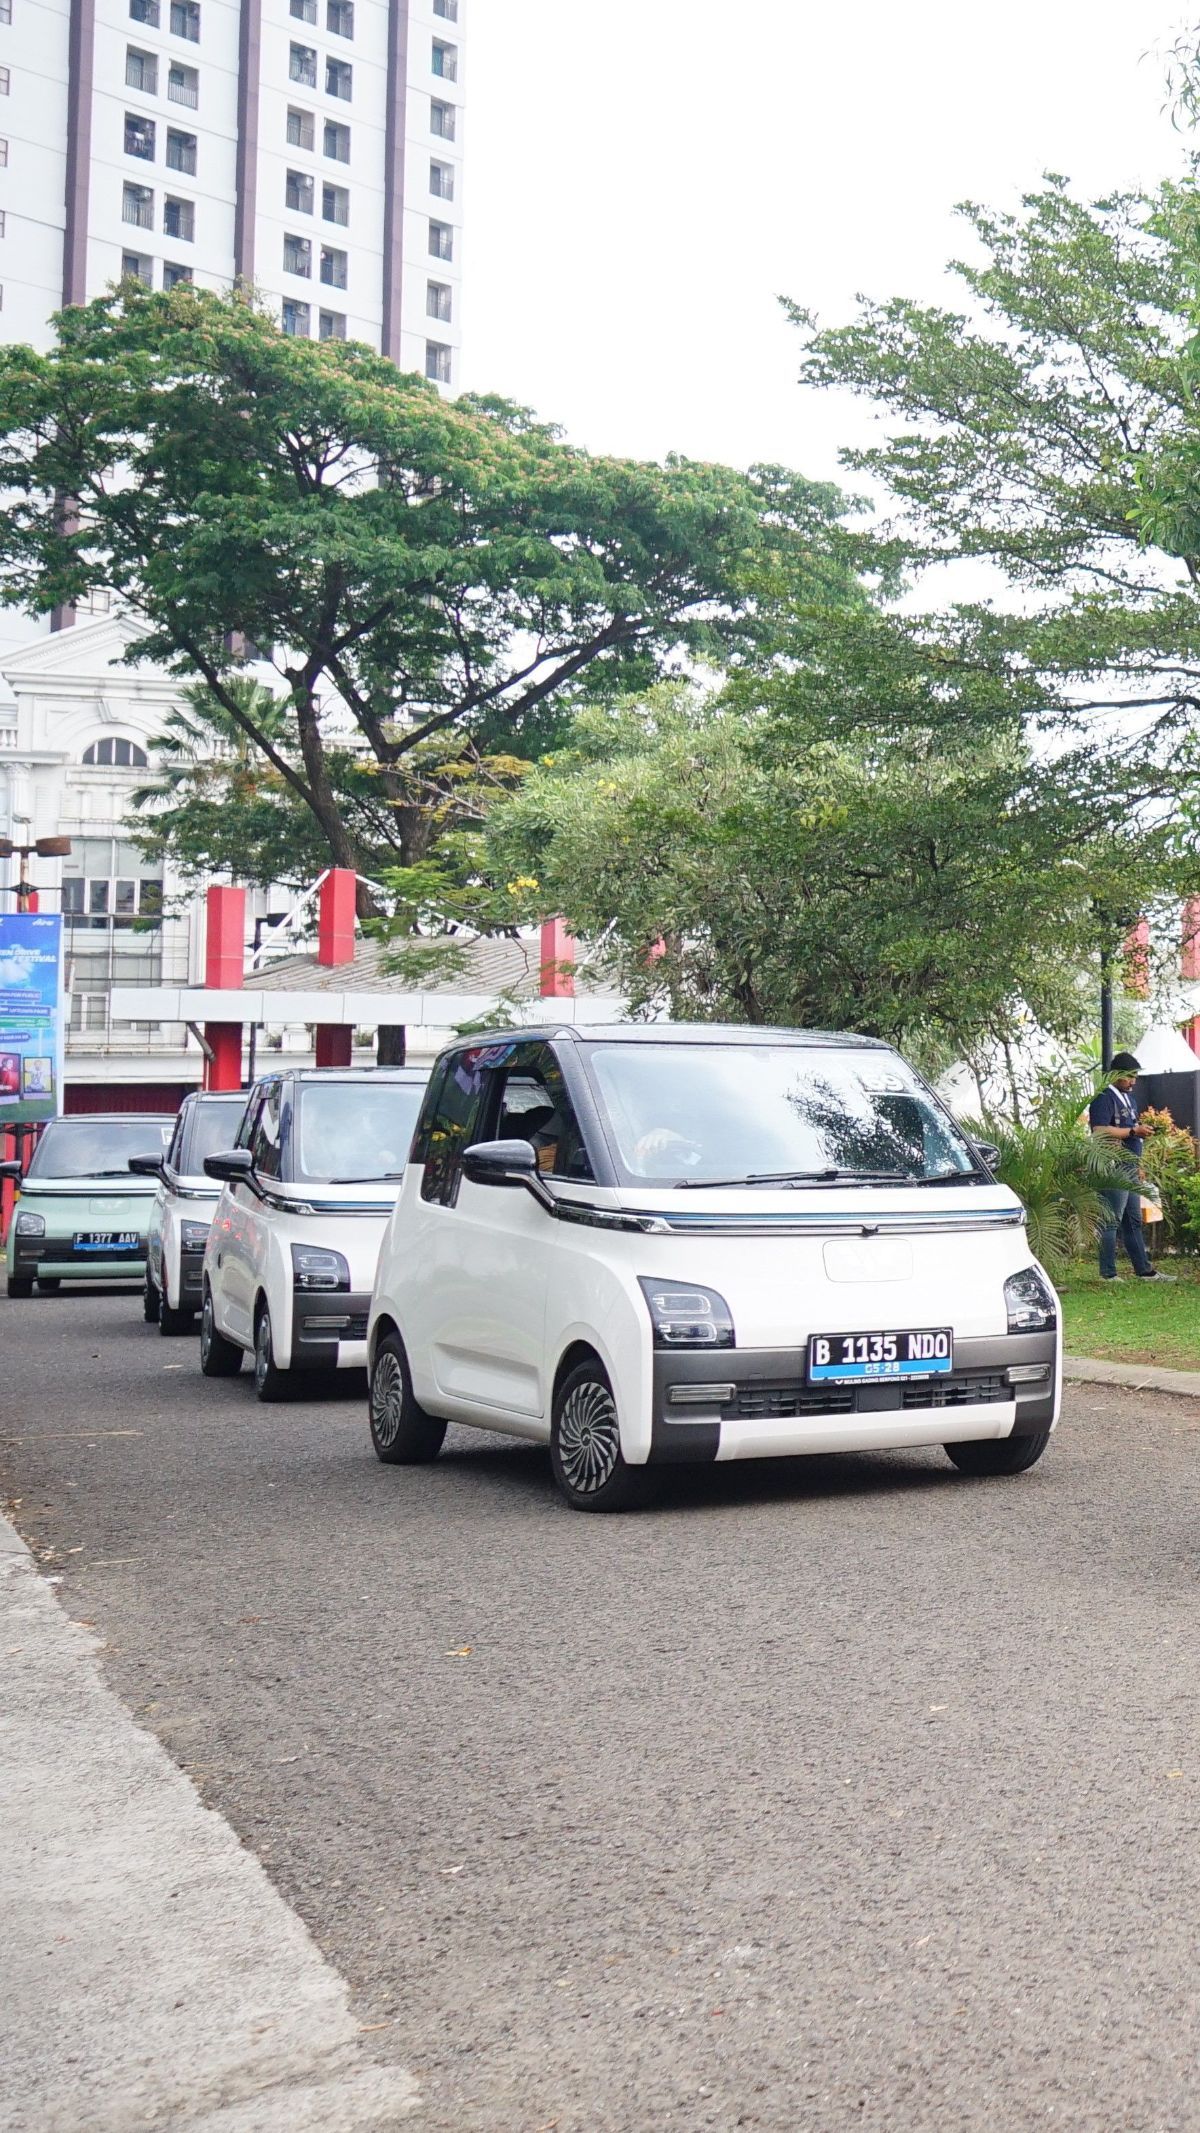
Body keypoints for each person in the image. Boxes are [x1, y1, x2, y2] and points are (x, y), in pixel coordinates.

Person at [1088, 1053, 1165, 1282]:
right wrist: (1133, 1132)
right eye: (1129, 1076)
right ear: (1116, 1075)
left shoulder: (1129, 1099)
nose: (1133, 1081)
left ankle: (1144, 1270)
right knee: (1111, 1219)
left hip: (1130, 1166)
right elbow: (1099, 1130)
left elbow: (1131, 1129)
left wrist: (1139, 1141)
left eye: (1135, 1077)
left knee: (1132, 1220)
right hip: (1114, 1166)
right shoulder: (1103, 1097)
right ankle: (1108, 1274)